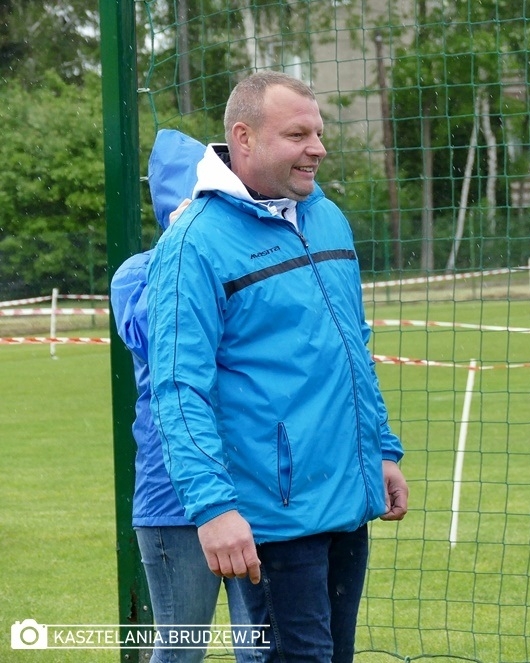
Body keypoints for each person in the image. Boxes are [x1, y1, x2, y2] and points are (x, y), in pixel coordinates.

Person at [146, 71, 409, 662]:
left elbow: (352, 347)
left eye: (318, 132)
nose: (318, 148)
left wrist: (381, 451)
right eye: (297, 135)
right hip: (275, 519)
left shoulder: (326, 216)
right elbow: (179, 389)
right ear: (243, 138)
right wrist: (213, 508)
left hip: (347, 503)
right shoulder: (193, 245)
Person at [110, 128, 257, 663]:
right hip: (172, 497)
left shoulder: (241, 257)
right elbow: (157, 337)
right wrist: (183, 252)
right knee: (180, 649)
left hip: (252, 489)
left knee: (262, 649)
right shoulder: (135, 274)